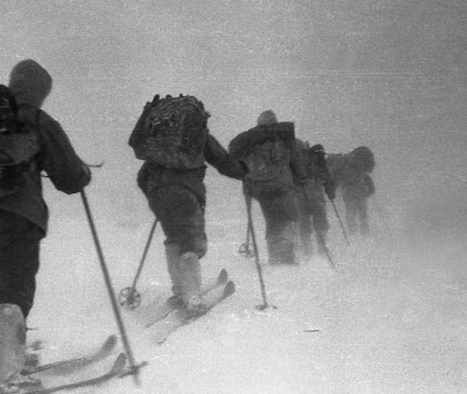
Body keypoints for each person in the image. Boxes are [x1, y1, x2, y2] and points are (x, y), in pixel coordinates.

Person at [0, 60, 92, 394]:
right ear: (41, 90)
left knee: (3, 283)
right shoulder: (35, 118)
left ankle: (10, 358)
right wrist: (84, 174)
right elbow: (70, 177)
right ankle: (8, 374)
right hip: (19, 215)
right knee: (15, 288)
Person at [131, 97, 247, 314]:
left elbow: (141, 177)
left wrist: (155, 195)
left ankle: (180, 292)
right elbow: (222, 160)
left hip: (158, 195)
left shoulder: (158, 145)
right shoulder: (197, 137)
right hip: (186, 195)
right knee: (189, 242)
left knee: (173, 240)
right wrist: (242, 171)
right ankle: (192, 298)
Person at [229, 110, 307, 264]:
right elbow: (296, 161)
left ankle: (275, 256)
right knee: (288, 218)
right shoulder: (284, 136)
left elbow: (235, 159)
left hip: (258, 189)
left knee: (272, 220)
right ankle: (286, 255)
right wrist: (302, 178)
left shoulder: (250, 138)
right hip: (281, 185)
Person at [296, 142, 336, 259]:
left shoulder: (293, 160)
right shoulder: (317, 159)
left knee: (304, 225)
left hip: (299, 195)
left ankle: (307, 253)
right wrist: (330, 192)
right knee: (320, 223)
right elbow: (326, 177)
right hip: (315, 194)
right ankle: (323, 252)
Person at [329, 146, 375, 237]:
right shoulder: (358, 167)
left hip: (349, 193)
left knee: (351, 215)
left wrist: (331, 189)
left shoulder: (346, 166)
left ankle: (353, 235)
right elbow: (366, 177)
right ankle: (364, 236)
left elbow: (337, 179)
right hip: (360, 192)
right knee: (362, 216)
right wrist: (370, 190)